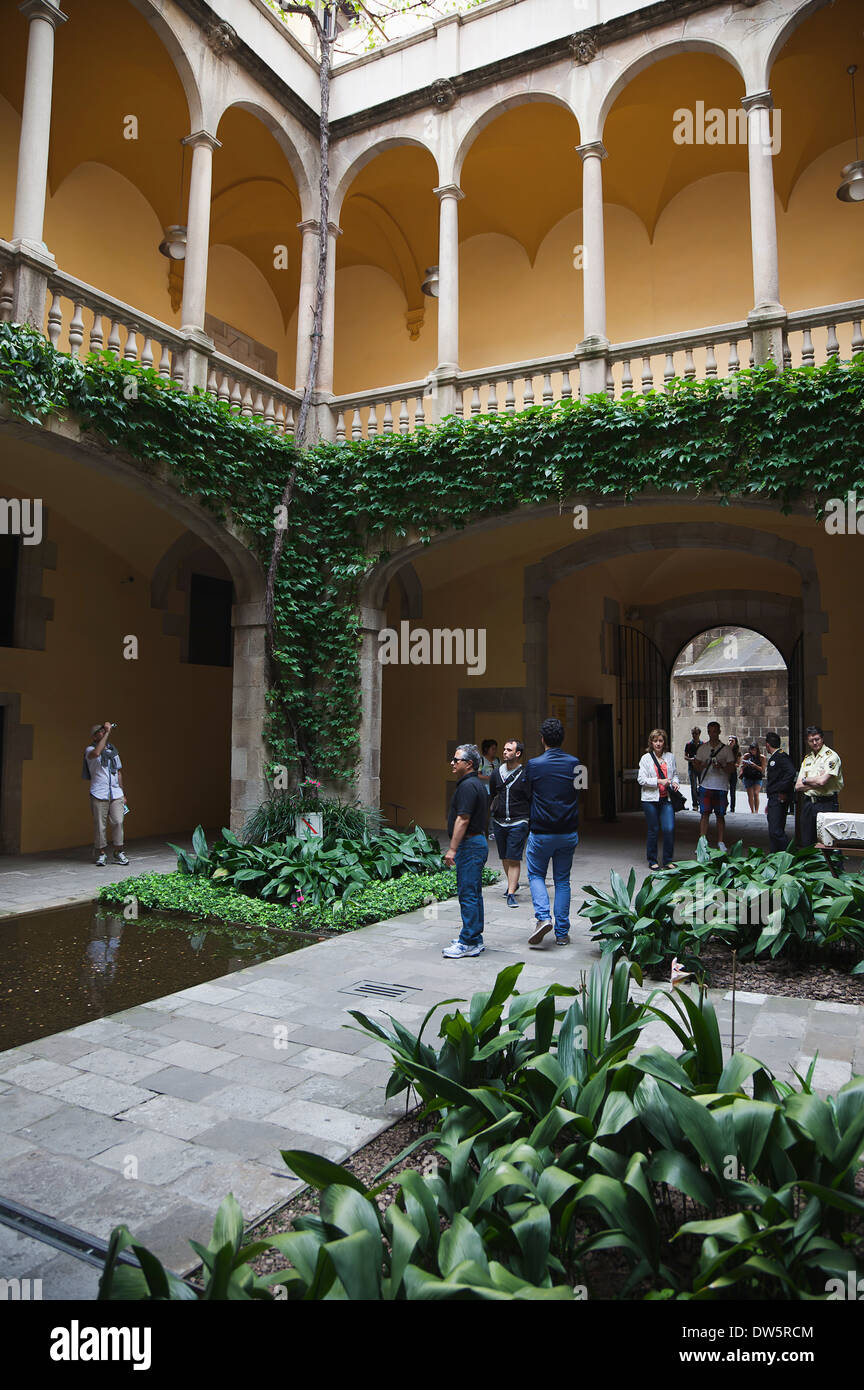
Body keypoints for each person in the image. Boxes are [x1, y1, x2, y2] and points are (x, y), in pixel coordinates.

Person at [523, 717, 581, 948]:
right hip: (567, 830)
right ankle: (562, 933)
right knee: (562, 880)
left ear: (542, 739)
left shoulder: (534, 765)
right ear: (562, 738)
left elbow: (528, 793)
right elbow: (580, 792)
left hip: (541, 830)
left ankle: (543, 917)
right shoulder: (577, 763)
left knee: (536, 875)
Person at [442, 743, 489, 958]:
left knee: (468, 894)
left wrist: (452, 849)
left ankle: (468, 941)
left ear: (469, 764)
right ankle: (474, 938)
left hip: (470, 846)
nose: (452, 763)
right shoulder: (473, 784)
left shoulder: (468, 786)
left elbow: (463, 818)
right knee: (473, 893)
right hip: (474, 844)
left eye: (456, 760)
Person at [489, 740, 529, 907]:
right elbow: (493, 793)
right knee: (504, 856)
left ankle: (511, 892)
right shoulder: (497, 773)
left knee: (514, 857)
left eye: (509, 750)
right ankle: (514, 883)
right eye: (504, 749)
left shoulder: (526, 774)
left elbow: (530, 797)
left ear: (517, 753)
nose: (504, 752)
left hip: (519, 821)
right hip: (499, 820)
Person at [84, 721, 129, 867]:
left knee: (118, 822)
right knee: (100, 825)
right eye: (99, 732)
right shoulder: (90, 750)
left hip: (115, 793)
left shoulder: (113, 751)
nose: (102, 733)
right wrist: (108, 732)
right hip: (99, 792)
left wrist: (122, 792)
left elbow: (119, 771)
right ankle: (101, 853)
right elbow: (97, 753)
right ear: (94, 736)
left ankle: (118, 851)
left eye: (103, 731)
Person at [637, 728, 681, 870]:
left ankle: (668, 860)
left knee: (669, 828)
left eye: (660, 741)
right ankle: (652, 860)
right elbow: (641, 779)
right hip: (650, 800)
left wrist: (675, 782)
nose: (658, 743)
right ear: (651, 742)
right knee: (653, 829)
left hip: (666, 799)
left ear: (664, 742)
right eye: (655, 741)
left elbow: (674, 774)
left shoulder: (670, 757)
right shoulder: (646, 758)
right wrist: (659, 781)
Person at [795, 726, 844, 847]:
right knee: (807, 843)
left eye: (817, 739)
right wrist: (814, 781)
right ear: (807, 741)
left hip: (826, 804)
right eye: (811, 740)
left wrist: (806, 780)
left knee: (828, 843)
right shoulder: (807, 759)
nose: (815, 742)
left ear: (822, 739)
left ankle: (834, 867)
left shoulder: (831, 757)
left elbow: (822, 781)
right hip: (809, 805)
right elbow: (797, 786)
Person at [693, 721, 735, 851]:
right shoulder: (702, 749)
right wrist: (703, 765)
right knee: (704, 814)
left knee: (720, 815)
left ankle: (720, 841)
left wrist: (721, 766)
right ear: (708, 732)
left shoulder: (726, 750)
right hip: (706, 785)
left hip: (721, 786)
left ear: (719, 732)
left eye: (715, 731)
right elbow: (696, 766)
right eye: (710, 731)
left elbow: (732, 768)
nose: (713, 734)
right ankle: (702, 842)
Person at [764, 732, 797, 852]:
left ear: (767, 745)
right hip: (773, 797)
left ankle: (790, 853)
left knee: (776, 830)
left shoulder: (780, 756)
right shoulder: (776, 756)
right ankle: (775, 854)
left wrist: (781, 788)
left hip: (778, 797)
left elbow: (791, 772)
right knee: (774, 829)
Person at [740, 741, 766, 814]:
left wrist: (754, 765)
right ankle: (752, 811)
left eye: (754, 750)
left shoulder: (762, 757)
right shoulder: (747, 756)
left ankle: (756, 810)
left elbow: (762, 769)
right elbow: (742, 766)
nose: (752, 751)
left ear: (757, 750)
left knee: (756, 793)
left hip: (757, 776)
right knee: (750, 795)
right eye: (751, 750)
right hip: (748, 776)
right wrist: (745, 766)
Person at [683, 727, 703, 810]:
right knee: (693, 786)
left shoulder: (703, 744)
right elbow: (685, 756)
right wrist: (691, 759)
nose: (694, 735)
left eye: (696, 734)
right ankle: (695, 804)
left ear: (699, 734)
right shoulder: (688, 744)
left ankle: (702, 802)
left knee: (702, 786)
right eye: (693, 734)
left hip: (701, 768)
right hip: (692, 768)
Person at [727, 736, 741, 814]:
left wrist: (732, 764)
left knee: (732, 791)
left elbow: (738, 764)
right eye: (729, 740)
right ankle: (724, 805)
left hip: (733, 772)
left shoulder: (737, 752)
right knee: (724, 790)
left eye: (732, 741)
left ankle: (732, 808)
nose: (730, 742)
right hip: (725, 772)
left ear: (735, 742)